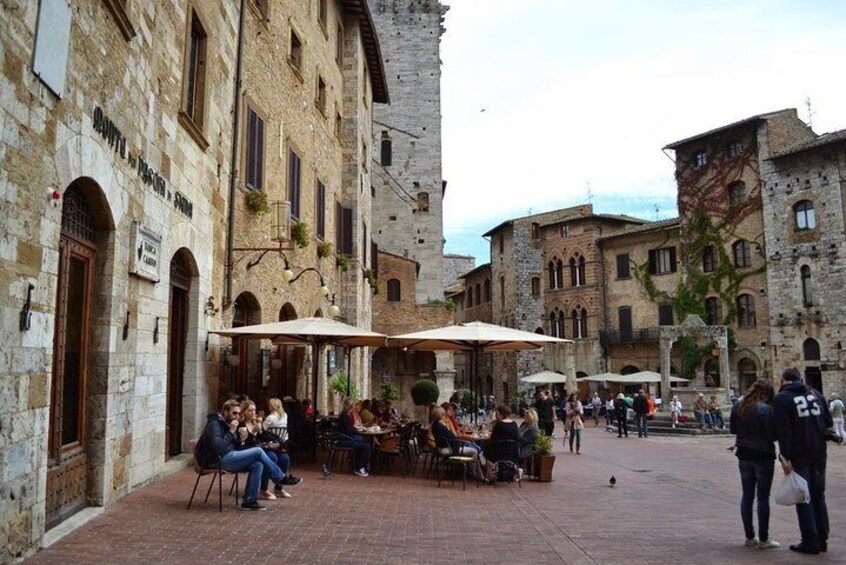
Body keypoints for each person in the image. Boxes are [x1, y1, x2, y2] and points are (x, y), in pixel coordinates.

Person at [774, 368, 833, 554]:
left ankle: (810, 540)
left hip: (799, 454)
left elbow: (784, 431)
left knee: (802, 496)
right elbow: (828, 423)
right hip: (819, 452)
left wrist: (785, 457)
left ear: (783, 380)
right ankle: (822, 538)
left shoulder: (782, 398)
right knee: (818, 495)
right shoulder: (815, 393)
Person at [195, 399, 288, 510]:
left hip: (228, 456)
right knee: (258, 451)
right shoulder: (214, 425)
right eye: (234, 413)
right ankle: (279, 477)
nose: (237, 416)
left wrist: (241, 440)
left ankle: (249, 501)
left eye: (239, 414)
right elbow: (217, 448)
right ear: (225, 411)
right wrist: (231, 432)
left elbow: (235, 446)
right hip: (216, 460)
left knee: (258, 464)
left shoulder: (228, 424)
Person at [730, 378, 779, 549]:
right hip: (763, 454)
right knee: (763, 497)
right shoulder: (765, 409)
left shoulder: (738, 405)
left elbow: (733, 429)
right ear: (765, 394)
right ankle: (764, 538)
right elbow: (773, 435)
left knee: (747, 496)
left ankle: (750, 537)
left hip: (744, 454)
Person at [238, 400, 300, 500]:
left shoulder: (256, 422)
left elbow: (264, 438)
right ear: (243, 411)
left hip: (262, 448)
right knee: (272, 457)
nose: (253, 412)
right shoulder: (241, 425)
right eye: (250, 410)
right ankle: (264, 489)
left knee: (284, 458)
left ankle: (279, 487)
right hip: (250, 451)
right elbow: (244, 443)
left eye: (254, 410)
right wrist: (254, 432)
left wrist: (261, 431)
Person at [430, 405, 486, 481]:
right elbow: (453, 437)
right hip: (449, 449)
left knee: (473, 448)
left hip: (443, 447)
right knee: (475, 451)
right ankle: (476, 474)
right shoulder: (441, 426)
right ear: (440, 415)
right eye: (443, 414)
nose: (444, 415)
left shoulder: (435, 425)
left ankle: (473, 473)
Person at [338, 398, 372, 477]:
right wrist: (357, 430)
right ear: (351, 406)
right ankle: (359, 468)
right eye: (354, 405)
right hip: (343, 440)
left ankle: (359, 466)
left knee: (363, 444)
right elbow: (348, 431)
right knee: (366, 447)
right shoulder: (345, 416)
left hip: (346, 438)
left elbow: (349, 429)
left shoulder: (345, 415)